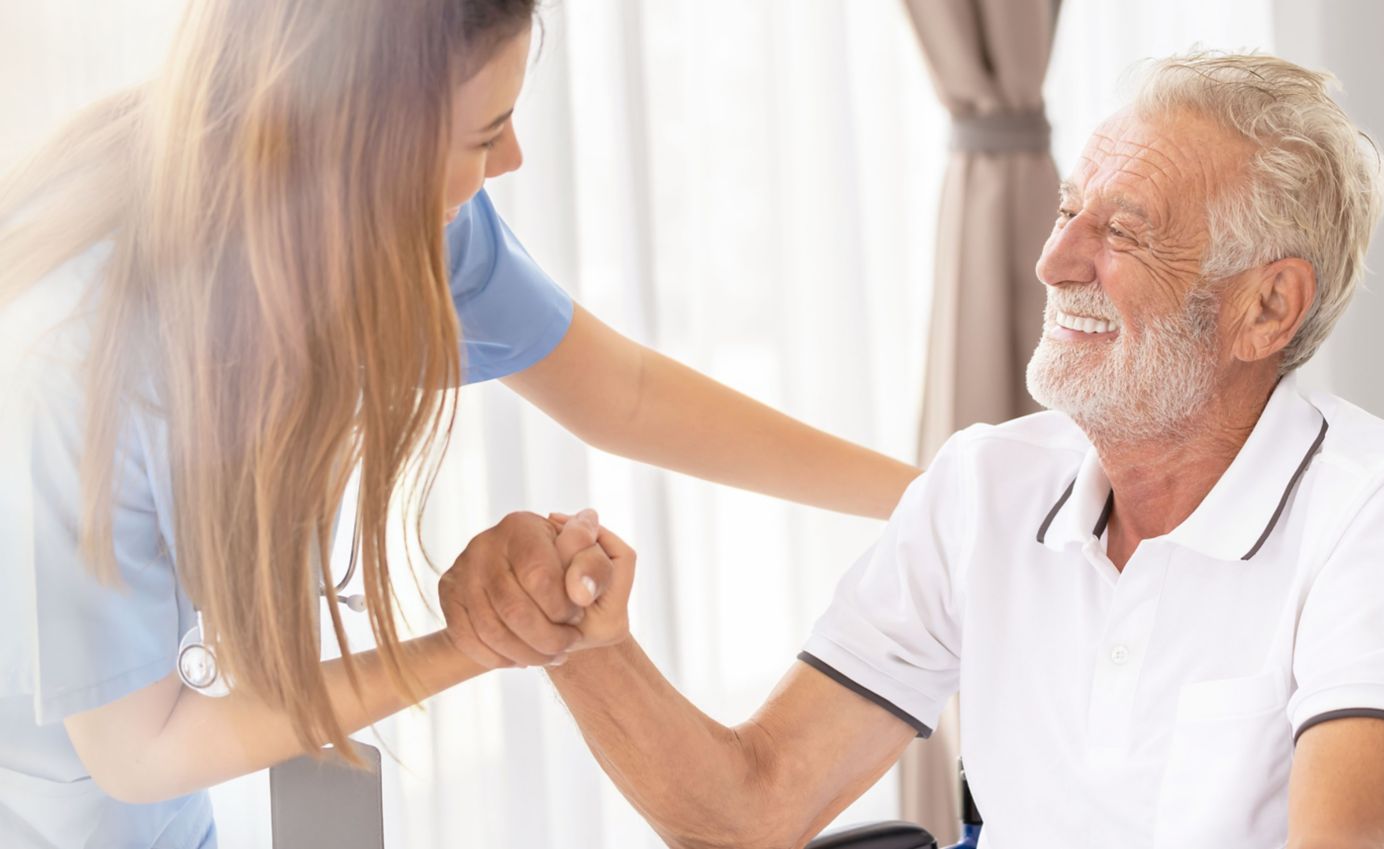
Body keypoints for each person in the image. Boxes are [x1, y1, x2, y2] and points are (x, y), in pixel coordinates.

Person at [0, 0, 918, 845]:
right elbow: (140, 752)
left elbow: (624, 393)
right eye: (484, 133)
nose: (512, 159)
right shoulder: (80, 358)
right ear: (353, 138)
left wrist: (937, 497)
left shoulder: (405, 221)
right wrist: (470, 643)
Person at [535, 51, 1384, 848]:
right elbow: (750, 805)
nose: (1054, 260)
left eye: (1123, 232)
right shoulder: (982, 485)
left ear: (1265, 308)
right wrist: (586, 646)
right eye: (1070, 211)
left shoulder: (1373, 499)